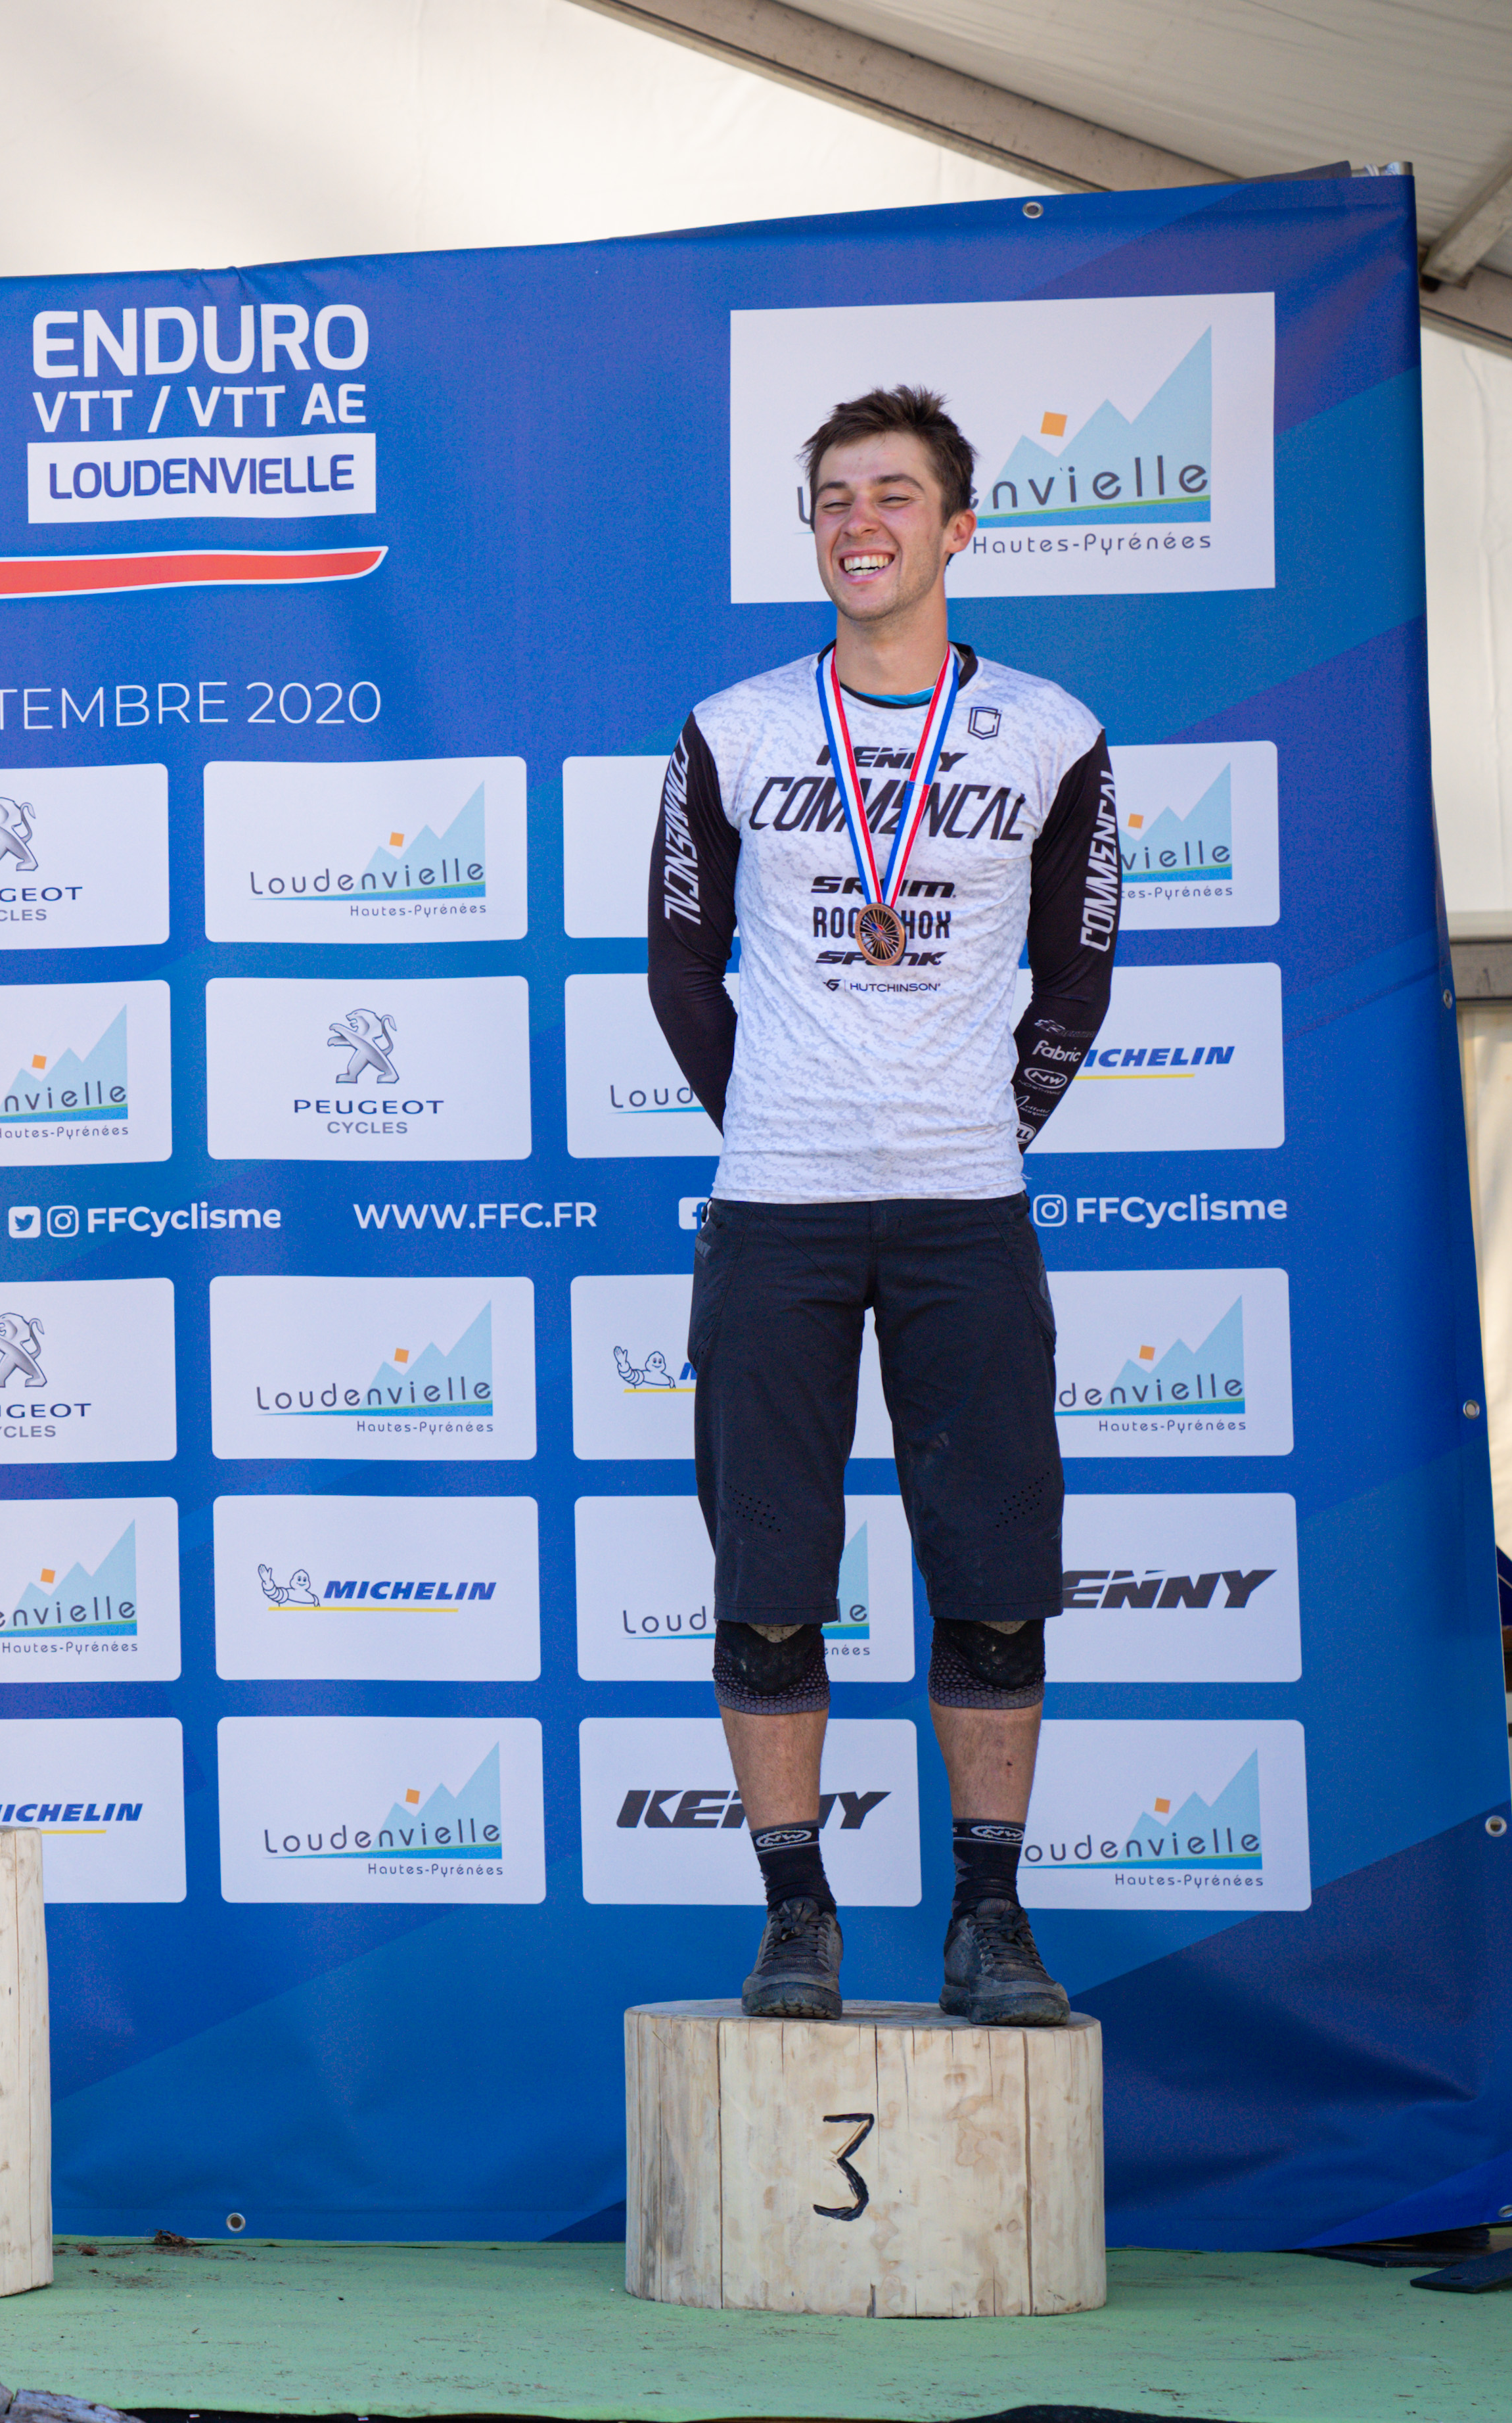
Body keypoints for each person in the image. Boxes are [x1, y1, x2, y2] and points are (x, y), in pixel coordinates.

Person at [646, 384, 1120, 2025]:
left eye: (896, 496)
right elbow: (678, 961)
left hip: (964, 1206)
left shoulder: (1051, 731)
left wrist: (990, 1120)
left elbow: (1084, 959)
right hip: (777, 1205)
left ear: (957, 526)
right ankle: (797, 1913)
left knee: (990, 1573)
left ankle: (992, 1914)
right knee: (768, 1577)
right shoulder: (736, 726)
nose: (862, 522)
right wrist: (780, 1114)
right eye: (835, 496)